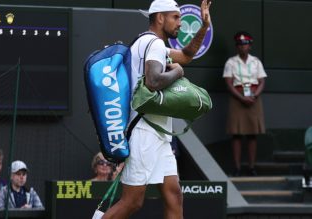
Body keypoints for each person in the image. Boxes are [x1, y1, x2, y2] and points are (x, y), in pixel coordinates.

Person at [100, 0, 212, 218]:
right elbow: (153, 81)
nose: (180, 22)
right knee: (132, 202)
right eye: (176, 17)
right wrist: (178, 73)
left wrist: (204, 26)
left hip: (158, 134)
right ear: (160, 18)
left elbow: (187, 55)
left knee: (174, 195)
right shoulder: (155, 44)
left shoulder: (148, 42)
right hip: (144, 132)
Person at [223, 31, 267, 176]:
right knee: (236, 134)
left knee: (252, 134)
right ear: (237, 47)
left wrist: (254, 95)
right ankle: (237, 167)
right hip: (237, 98)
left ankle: (251, 167)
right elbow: (229, 83)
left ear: (250, 46)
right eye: (240, 45)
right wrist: (241, 97)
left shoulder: (256, 62)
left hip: (253, 98)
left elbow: (261, 81)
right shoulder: (231, 62)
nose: (243, 47)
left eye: (246, 44)